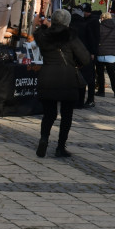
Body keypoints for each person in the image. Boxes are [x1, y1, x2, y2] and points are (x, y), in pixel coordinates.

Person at [33, 9, 90, 158]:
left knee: (49, 114)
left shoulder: (43, 36)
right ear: (67, 22)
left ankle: (44, 138)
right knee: (66, 115)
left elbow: (38, 33)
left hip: (47, 77)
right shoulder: (71, 37)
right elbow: (85, 58)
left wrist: (44, 26)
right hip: (67, 79)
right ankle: (60, 147)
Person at [77, 3, 100, 106]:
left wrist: (93, 52)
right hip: (86, 51)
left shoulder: (93, 22)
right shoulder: (85, 21)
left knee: (90, 76)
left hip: (91, 52)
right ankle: (85, 98)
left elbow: (95, 38)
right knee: (85, 75)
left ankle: (90, 99)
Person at [96, 10, 115, 98]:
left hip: (101, 53)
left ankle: (101, 91)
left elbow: (97, 39)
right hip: (111, 54)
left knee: (100, 74)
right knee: (112, 74)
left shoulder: (100, 27)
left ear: (102, 18)